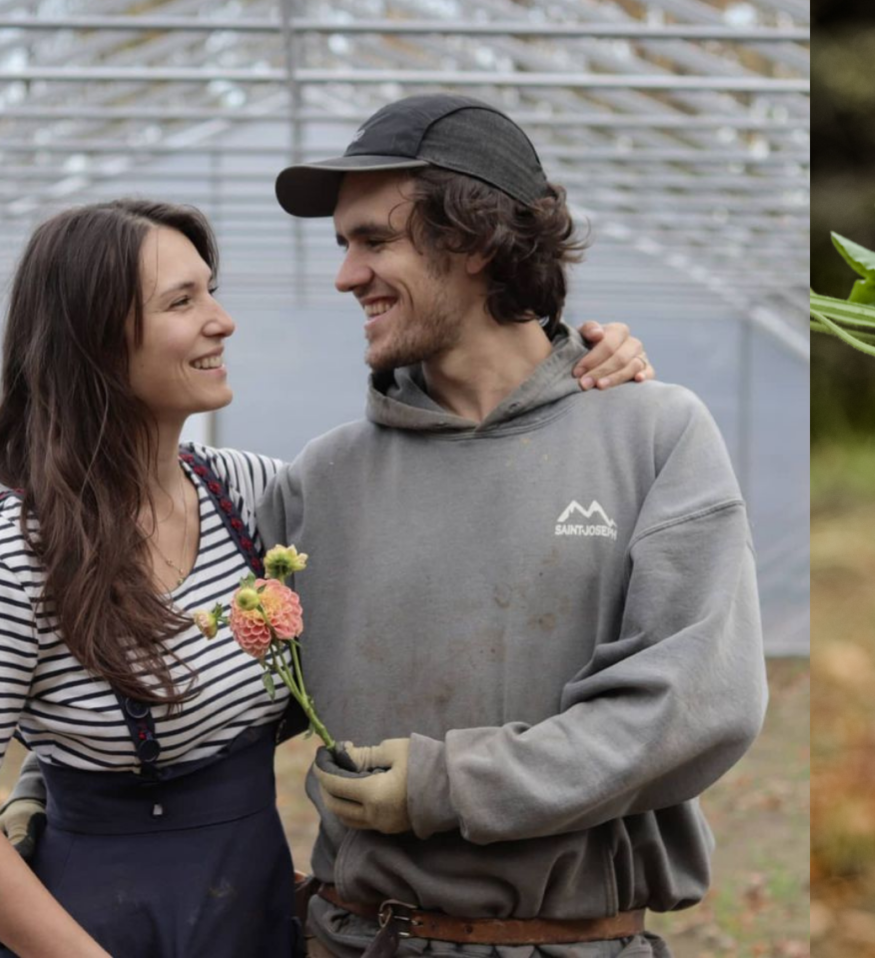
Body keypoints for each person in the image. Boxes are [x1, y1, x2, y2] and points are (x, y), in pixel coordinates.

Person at [0, 195, 651, 957]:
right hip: (93, 931)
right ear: (94, 339)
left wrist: (577, 374)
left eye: (211, 291)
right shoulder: (7, 557)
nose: (221, 320)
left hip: (254, 918)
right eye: (182, 301)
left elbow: (439, 529)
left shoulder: (255, 498)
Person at [252, 94, 769, 958]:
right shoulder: (322, 480)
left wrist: (452, 783)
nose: (346, 275)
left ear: (479, 239)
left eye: (374, 239)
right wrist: (54, 775)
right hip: (350, 939)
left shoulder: (653, 434)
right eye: (343, 244)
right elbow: (222, 683)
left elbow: (694, 705)